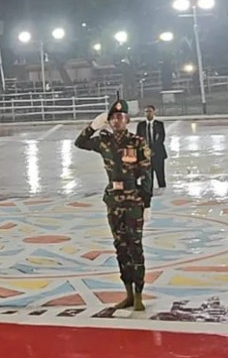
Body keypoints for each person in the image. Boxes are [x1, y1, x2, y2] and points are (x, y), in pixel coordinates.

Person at [75, 97, 152, 311]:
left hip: (133, 201)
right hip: (114, 202)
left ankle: (139, 295)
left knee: (135, 247)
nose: (117, 121)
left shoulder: (137, 142)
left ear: (128, 120)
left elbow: (147, 174)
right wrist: (93, 127)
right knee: (120, 247)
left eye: (120, 117)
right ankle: (128, 293)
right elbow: (80, 142)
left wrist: (146, 203)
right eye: (113, 118)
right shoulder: (104, 142)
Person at [136, 105, 167, 190]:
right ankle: (148, 191)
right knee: (148, 176)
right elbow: (138, 139)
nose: (148, 113)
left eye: (150, 111)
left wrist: (153, 150)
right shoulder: (141, 125)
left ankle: (163, 190)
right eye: (146, 111)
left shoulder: (159, 124)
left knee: (160, 175)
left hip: (158, 154)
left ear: (154, 112)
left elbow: (161, 138)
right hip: (145, 156)